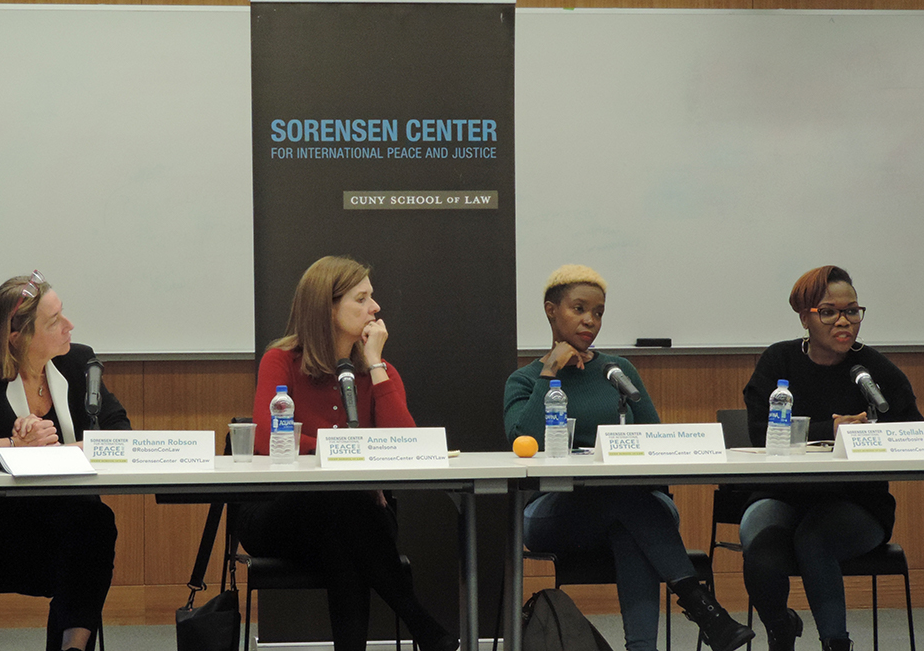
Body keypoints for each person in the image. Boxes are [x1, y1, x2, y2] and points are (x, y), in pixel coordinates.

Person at [504, 264, 753, 651]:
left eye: (599, 312)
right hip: (555, 513)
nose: (590, 320)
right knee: (626, 500)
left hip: (636, 507)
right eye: (579, 309)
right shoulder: (524, 380)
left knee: (627, 516)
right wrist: (550, 369)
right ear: (552, 310)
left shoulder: (618, 370)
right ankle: (701, 606)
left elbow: (656, 442)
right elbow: (525, 443)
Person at [236, 256, 457, 651]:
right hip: (280, 513)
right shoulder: (282, 360)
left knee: (342, 530)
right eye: (362, 298)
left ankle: (419, 631)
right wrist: (346, 455)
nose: (375, 308)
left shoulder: (378, 370)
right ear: (328, 307)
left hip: (353, 516)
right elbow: (267, 438)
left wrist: (374, 365)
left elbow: (405, 445)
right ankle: (421, 624)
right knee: (342, 505)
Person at [0, 270, 129, 651]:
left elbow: (120, 432)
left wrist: (60, 452)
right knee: (86, 534)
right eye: (54, 321)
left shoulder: (78, 362)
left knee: (94, 523)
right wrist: (14, 448)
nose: (70, 326)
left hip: (60, 527)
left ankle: (73, 649)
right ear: (17, 338)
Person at [741, 266, 923, 651]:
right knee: (760, 547)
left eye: (852, 311)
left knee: (815, 539)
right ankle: (780, 627)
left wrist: (872, 434)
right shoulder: (779, 362)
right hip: (782, 495)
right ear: (805, 316)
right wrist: (831, 430)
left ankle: (836, 644)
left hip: (857, 503)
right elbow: (760, 432)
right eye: (829, 312)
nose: (844, 321)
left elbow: (915, 434)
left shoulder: (872, 371)